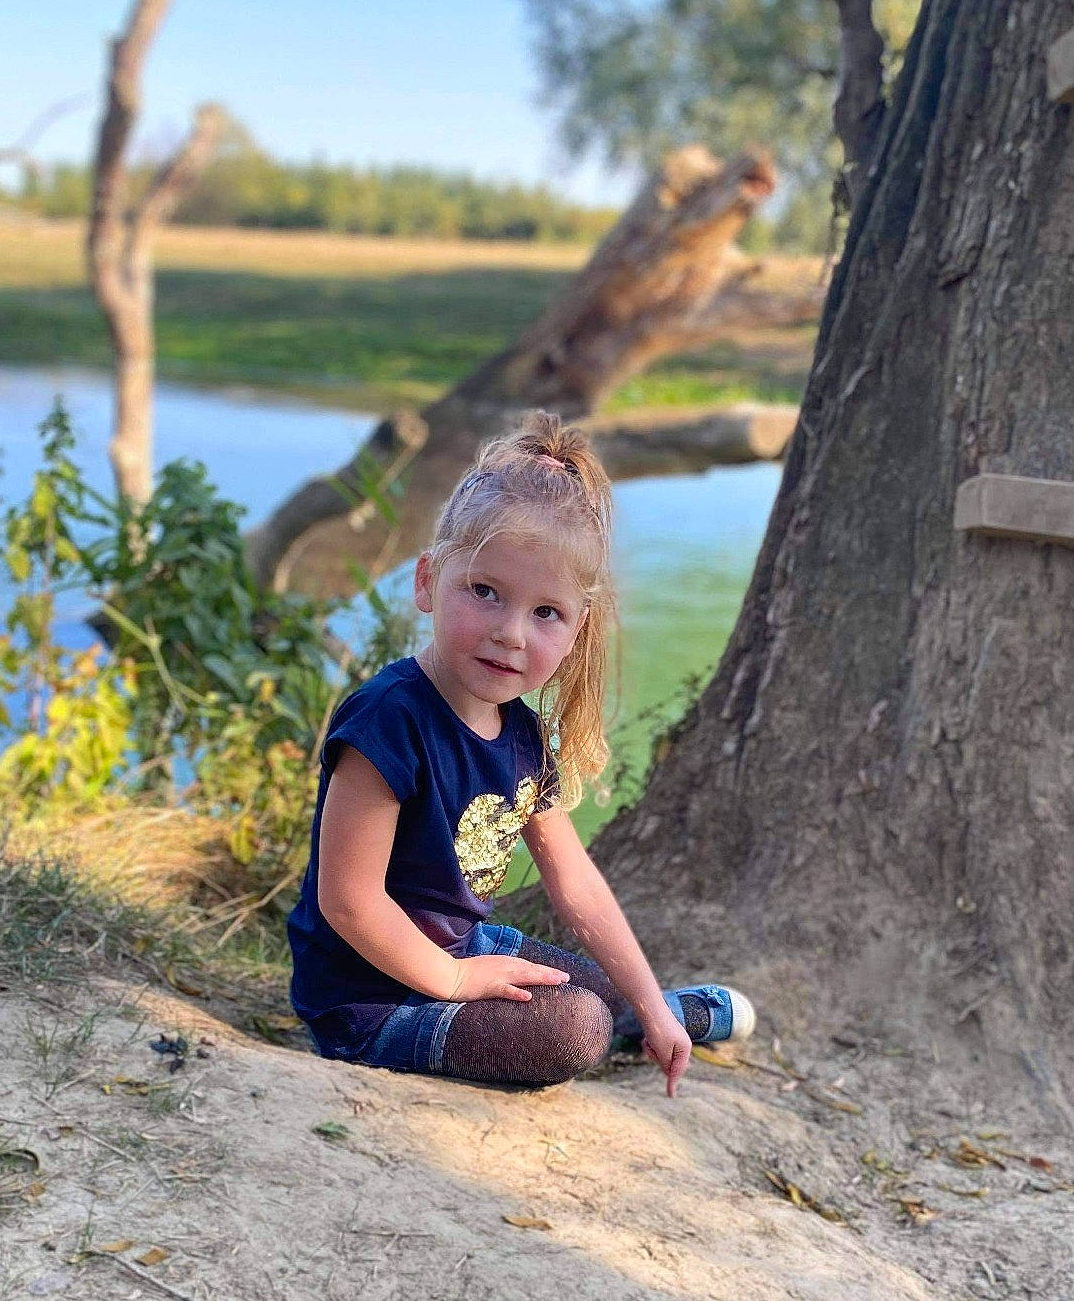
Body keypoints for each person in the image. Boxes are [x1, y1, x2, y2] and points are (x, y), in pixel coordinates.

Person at [287, 411, 754, 1094]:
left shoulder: (523, 734)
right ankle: (616, 1025)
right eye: (485, 593)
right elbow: (348, 901)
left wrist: (648, 999)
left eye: (545, 614)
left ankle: (657, 1017)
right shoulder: (389, 719)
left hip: (461, 955)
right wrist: (452, 980)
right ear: (427, 581)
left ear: (577, 630)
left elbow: (577, 884)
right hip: (368, 998)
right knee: (575, 1028)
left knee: (601, 992)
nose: (510, 634)